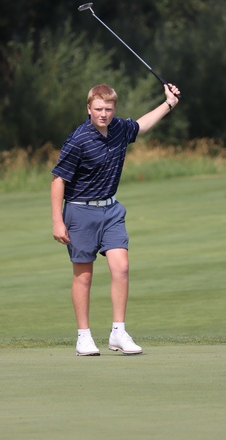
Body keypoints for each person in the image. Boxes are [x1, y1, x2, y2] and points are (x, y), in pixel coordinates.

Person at [51, 82, 180, 356]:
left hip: (111, 210)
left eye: (108, 109)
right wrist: (57, 221)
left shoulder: (119, 128)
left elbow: (142, 126)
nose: (104, 114)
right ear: (89, 108)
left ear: (114, 109)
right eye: (98, 109)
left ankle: (118, 333)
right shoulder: (78, 139)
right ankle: (84, 337)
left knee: (121, 267)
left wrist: (169, 103)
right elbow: (58, 179)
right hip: (80, 211)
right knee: (84, 276)